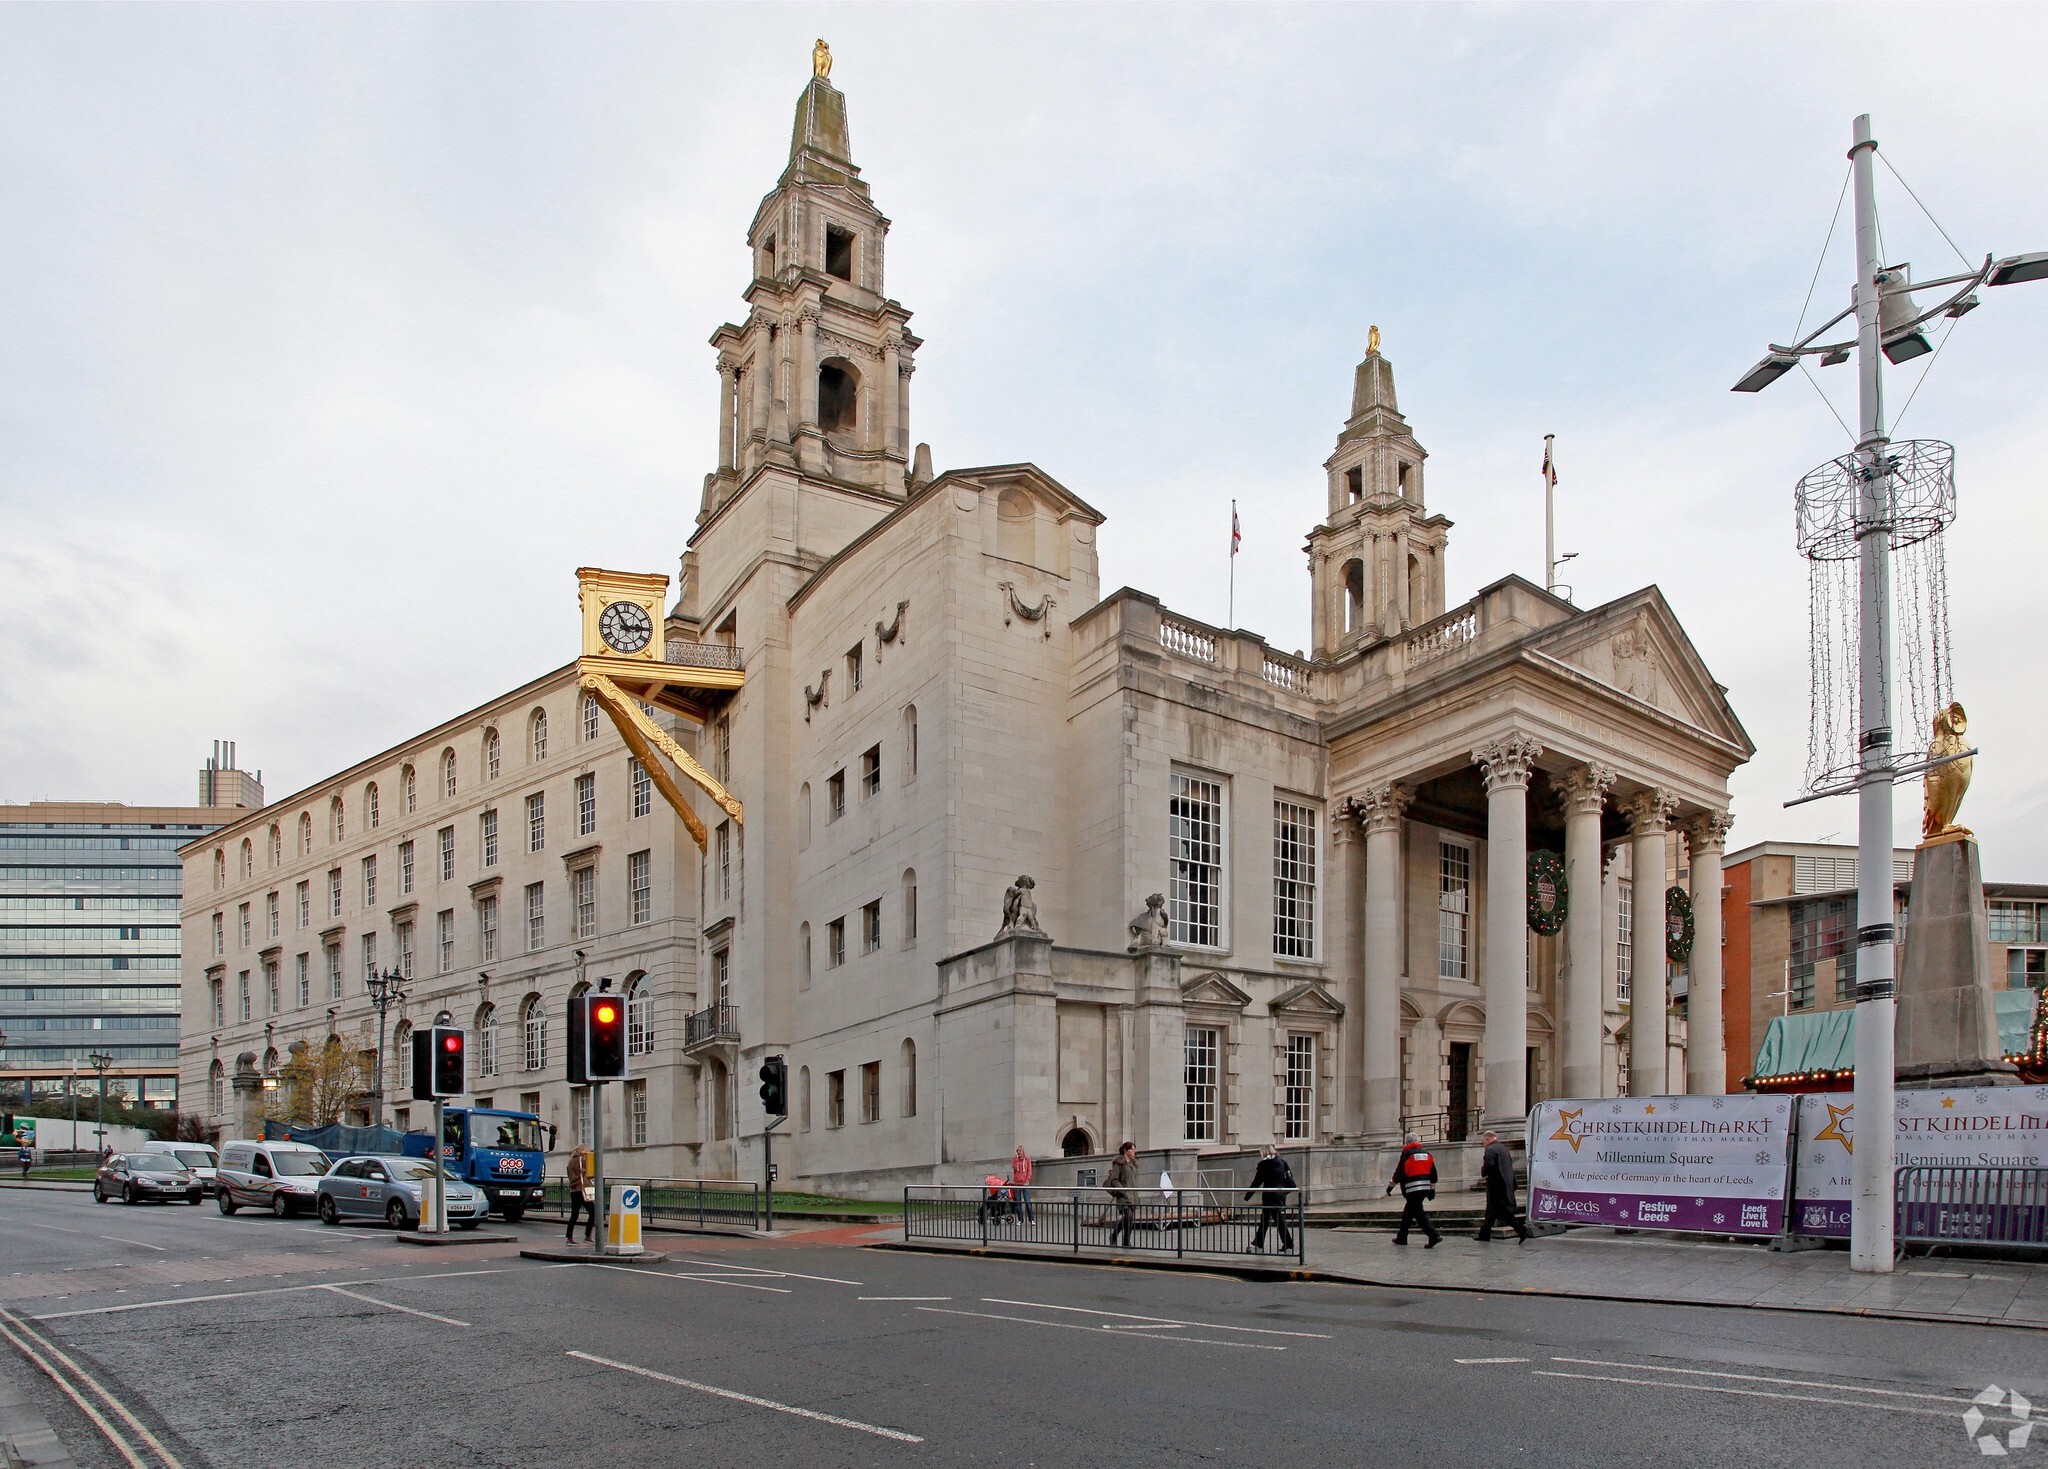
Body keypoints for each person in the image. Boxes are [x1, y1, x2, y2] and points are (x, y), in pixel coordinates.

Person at [1385, 1132, 1441, 1247]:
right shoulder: (1427, 1154)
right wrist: (1432, 1189)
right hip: (1424, 1187)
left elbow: (1399, 1172)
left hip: (1412, 1188)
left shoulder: (1407, 1154)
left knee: (1419, 1213)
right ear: (1418, 1141)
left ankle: (1433, 1235)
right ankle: (1402, 1236)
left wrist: (1390, 1186)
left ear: (1406, 1143)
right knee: (1408, 1212)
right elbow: (1433, 1174)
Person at [1477, 1130, 1530, 1243]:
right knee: (1491, 1211)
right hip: (1505, 1183)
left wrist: (1484, 1172)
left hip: (1496, 1185)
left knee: (1502, 1211)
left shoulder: (1490, 1150)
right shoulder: (1503, 1148)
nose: (1483, 1143)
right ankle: (1484, 1234)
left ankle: (1521, 1230)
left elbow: (1489, 1165)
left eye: (1483, 1140)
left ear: (1487, 1139)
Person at [1244, 1144, 1297, 1254]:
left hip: (1269, 1195)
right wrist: (1284, 1192)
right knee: (1266, 1219)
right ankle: (1258, 1241)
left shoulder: (1264, 1164)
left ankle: (1288, 1243)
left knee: (1276, 1220)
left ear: (1264, 1153)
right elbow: (1289, 1179)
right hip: (1280, 1194)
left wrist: (1247, 1196)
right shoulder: (1282, 1162)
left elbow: (1257, 1182)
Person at [1103, 1141, 1139, 1247]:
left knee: (1129, 1219)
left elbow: (1133, 1179)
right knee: (1128, 1216)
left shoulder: (1133, 1163)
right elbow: (1114, 1179)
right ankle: (1125, 1240)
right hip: (1123, 1195)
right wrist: (1122, 1189)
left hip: (1133, 1194)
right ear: (1125, 1150)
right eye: (1131, 1149)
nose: (1133, 1151)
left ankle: (1119, 1238)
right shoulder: (1119, 1163)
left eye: (1134, 1149)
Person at [565, 1143, 596, 1244]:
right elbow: (589, 1172)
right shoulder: (582, 1160)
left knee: (574, 1214)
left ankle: (569, 1237)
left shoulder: (571, 1161)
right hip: (582, 1189)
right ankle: (588, 1235)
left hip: (574, 1190)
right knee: (592, 1212)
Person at [1010, 1144, 1035, 1225]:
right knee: (1018, 1202)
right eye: (1017, 1151)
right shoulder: (1015, 1160)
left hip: (1025, 1183)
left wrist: (1027, 1180)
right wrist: (1016, 1159)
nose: (1018, 1152)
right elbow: (1013, 1167)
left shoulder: (1027, 1159)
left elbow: (1029, 1170)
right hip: (1017, 1183)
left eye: (1020, 1151)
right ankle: (1020, 1219)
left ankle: (1031, 1219)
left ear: (1023, 1151)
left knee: (1028, 1202)